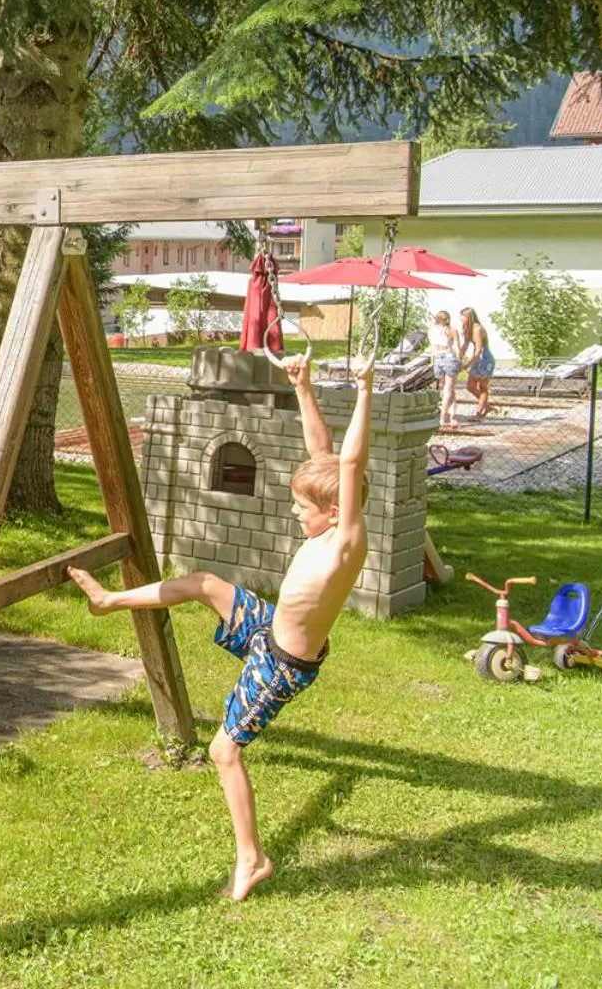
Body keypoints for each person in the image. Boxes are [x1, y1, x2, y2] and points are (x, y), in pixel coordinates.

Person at [67, 353, 374, 902]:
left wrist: (367, 388)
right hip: (268, 628)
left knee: (223, 751)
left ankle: (251, 858)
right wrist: (301, 386)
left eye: (303, 506)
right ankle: (109, 600)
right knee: (205, 583)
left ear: (334, 512)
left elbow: (348, 464)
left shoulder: (347, 545)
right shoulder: (327, 526)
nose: (296, 513)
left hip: (281, 666)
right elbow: (323, 453)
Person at [458, 306, 494, 421]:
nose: (461, 319)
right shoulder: (469, 329)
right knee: (470, 386)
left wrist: (467, 364)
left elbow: (479, 350)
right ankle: (487, 406)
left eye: (462, 317)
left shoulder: (477, 329)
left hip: (485, 359)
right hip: (477, 359)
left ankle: (478, 413)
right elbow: (465, 345)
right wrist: (458, 357)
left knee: (483, 387)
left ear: (469, 317)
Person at [429, 309, 461, 427]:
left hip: (448, 356)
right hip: (438, 356)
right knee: (447, 388)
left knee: (448, 388)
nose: (436, 319)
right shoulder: (432, 330)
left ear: (445, 320)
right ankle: (452, 414)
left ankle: (443, 416)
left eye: (439, 318)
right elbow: (432, 347)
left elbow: (457, 347)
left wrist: (459, 360)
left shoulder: (451, 331)